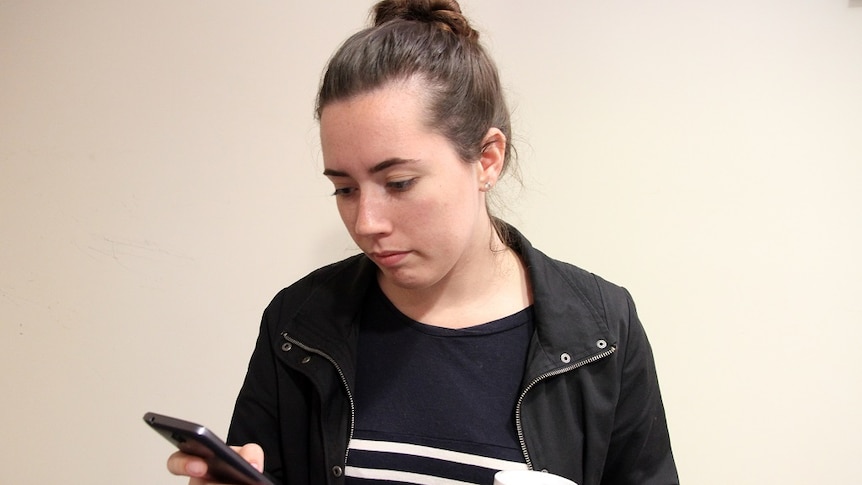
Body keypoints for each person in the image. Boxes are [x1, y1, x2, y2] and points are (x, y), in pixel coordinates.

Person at [167, 0, 678, 484]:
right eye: (344, 188)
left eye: (399, 183)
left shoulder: (601, 330)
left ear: (486, 159)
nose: (366, 222)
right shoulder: (298, 324)